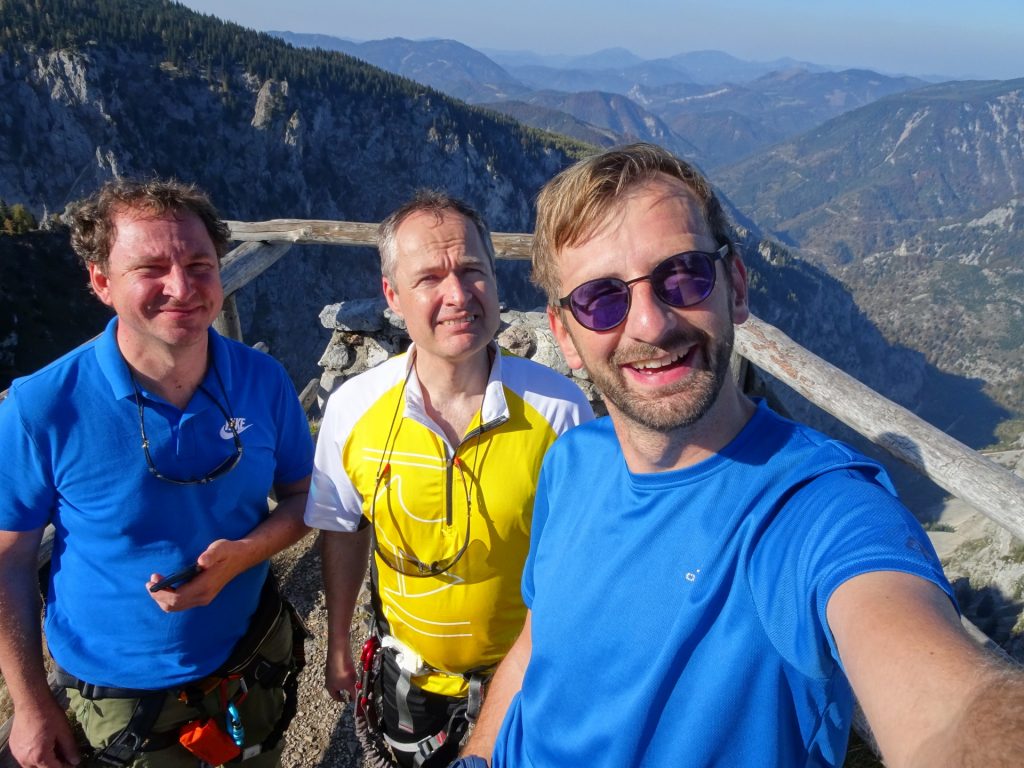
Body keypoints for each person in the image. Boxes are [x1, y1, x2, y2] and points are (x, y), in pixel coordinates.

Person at [458, 143, 1024, 768]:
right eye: (602, 299)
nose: (649, 323)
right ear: (564, 333)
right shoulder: (571, 461)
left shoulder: (817, 510)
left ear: (736, 287)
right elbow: (542, 638)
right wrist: (477, 755)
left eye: (683, 275)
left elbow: (949, 709)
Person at [0, 178, 314, 768]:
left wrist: (246, 554)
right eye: (151, 267)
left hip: (251, 663)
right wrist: (31, 704)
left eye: (199, 263)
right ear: (101, 282)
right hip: (122, 703)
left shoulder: (262, 380)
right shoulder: (40, 407)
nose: (181, 287)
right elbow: (7, 559)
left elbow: (304, 497)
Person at [304, 190, 593, 767]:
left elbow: (577, 553)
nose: (457, 295)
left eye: (471, 271)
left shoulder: (557, 408)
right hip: (412, 682)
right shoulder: (354, 409)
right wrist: (338, 642)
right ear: (393, 296)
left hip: (530, 676)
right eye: (430, 277)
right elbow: (342, 526)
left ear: (495, 278)